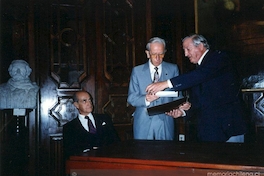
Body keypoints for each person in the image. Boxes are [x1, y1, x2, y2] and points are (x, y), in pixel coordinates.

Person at [146, 34, 246, 142]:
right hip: (211, 131)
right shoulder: (200, 67)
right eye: (184, 50)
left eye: (188, 49)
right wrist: (183, 112)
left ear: (201, 46)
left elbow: (200, 75)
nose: (185, 54)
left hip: (228, 130)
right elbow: (202, 100)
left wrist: (165, 83)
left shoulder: (219, 58)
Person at [127, 37, 187, 140]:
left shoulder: (173, 69)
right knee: (143, 154)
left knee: (166, 154)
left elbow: (177, 95)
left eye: (161, 54)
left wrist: (180, 107)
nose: (158, 58)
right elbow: (131, 98)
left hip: (166, 121)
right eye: (154, 54)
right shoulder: (137, 71)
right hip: (143, 122)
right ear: (147, 53)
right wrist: (146, 99)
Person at [63, 90, 120, 159]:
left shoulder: (104, 119)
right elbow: (70, 152)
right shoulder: (69, 127)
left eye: (90, 100)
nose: (89, 103)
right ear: (76, 105)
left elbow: (115, 142)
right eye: (84, 101)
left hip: (106, 160)